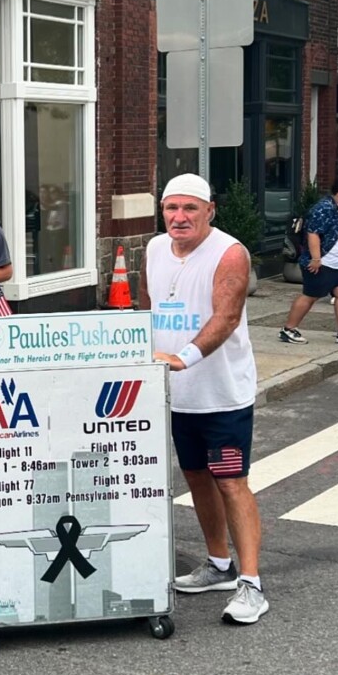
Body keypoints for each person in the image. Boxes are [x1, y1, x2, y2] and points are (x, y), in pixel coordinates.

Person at [139, 173, 267, 625]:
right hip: (176, 395)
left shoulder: (229, 252)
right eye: (171, 208)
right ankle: (219, 565)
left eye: (190, 208)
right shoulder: (154, 249)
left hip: (221, 393)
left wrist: (185, 357)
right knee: (196, 478)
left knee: (231, 481)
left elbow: (227, 315)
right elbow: (147, 306)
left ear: (209, 210)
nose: (179, 217)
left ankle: (251, 583)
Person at [279, 178, 338, 345]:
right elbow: (312, 233)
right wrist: (315, 259)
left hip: (337, 262)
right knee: (310, 295)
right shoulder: (323, 209)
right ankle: (289, 329)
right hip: (322, 262)